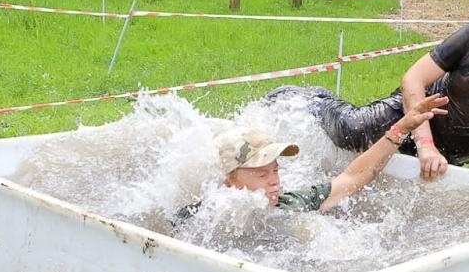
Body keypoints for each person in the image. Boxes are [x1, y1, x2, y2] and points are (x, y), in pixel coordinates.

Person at [268, 0, 469, 192]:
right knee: (351, 132)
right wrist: (425, 144)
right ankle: (306, 98)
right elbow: (413, 78)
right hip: (410, 112)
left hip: (448, 150)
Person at [179, 91, 449, 221]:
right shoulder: (200, 218)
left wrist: (401, 128)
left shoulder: (292, 203)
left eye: (275, 170)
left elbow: (353, 177)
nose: (274, 181)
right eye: (261, 174)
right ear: (230, 182)